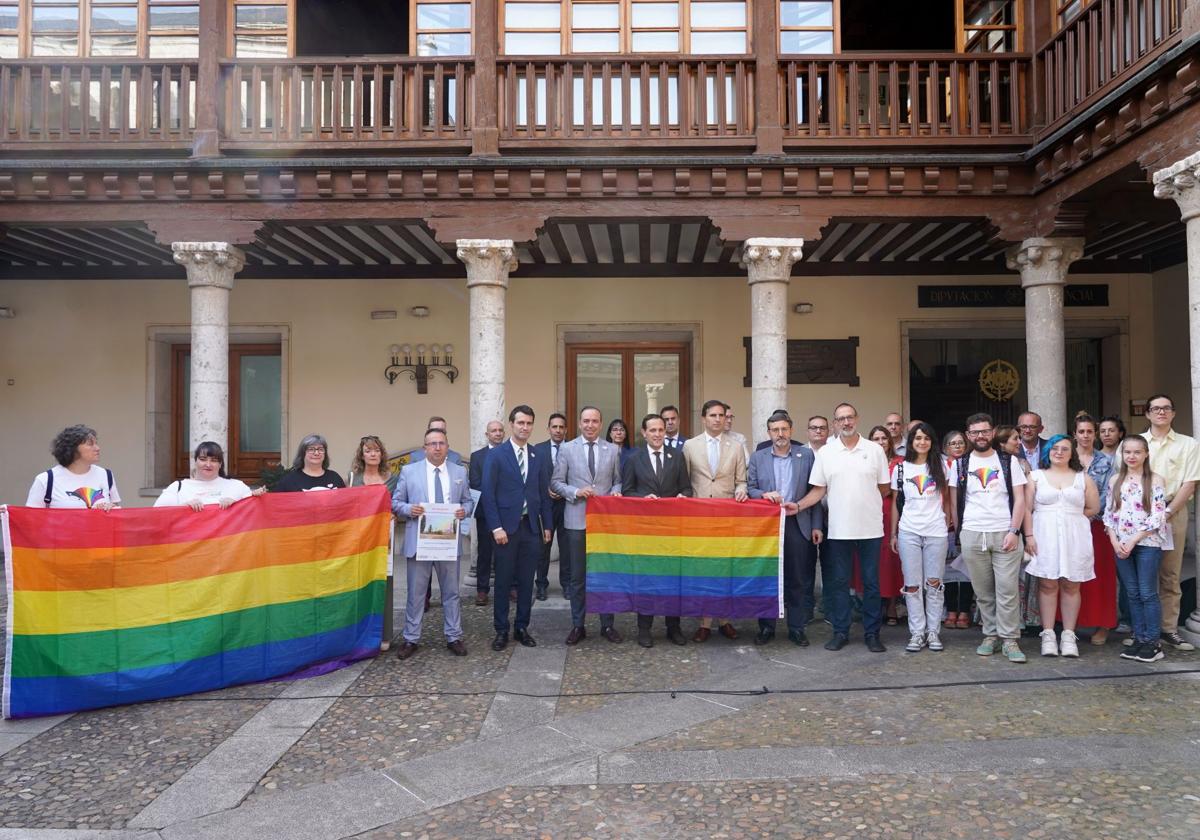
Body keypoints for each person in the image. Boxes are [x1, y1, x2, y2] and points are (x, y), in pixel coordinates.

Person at [796, 403, 891, 653]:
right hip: (838, 530)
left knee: (871, 583)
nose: (846, 422)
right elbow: (818, 490)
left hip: (871, 529)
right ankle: (840, 631)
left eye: (850, 418)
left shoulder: (874, 450)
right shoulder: (827, 452)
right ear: (835, 423)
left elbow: (884, 487)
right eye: (841, 419)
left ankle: (872, 633)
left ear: (857, 419)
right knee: (839, 583)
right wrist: (797, 506)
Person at [950, 413, 1028, 663]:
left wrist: (1014, 531)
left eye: (984, 431)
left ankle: (1010, 639)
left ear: (993, 432)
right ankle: (990, 634)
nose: (980, 436)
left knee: (1007, 589)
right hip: (973, 533)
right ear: (968, 435)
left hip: (1004, 532)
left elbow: (1020, 499)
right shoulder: (960, 464)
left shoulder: (1008, 461)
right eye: (974, 433)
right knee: (983, 591)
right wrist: (961, 532)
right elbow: (954, 502)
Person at [390, 427, 473, 660]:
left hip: (447, 541)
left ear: (448, 446)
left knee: (451, 592)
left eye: (441, 443)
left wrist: (463, 511)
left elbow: (468, 502)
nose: (437, 447)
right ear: (424, 447)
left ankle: (454, 636)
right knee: (415, 593)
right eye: (432, 444)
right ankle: (410, 638)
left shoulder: (459, 472)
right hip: (420, 541)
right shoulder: (409, 471)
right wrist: (409, 509)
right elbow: (396, 502)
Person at [748, 411, 824, 647]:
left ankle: (797, 628)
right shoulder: (758, 457)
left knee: (798, 578)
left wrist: (816, 525)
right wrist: (763, 494)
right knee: (767, 577)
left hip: (797, 522)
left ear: (791, 430)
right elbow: (750, 488)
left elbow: (817, 492)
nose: (780, 434)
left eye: (784, 429)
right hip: (768, 526)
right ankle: (766, 627)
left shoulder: (807, 455)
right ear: (769, 432)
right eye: (775, 430)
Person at [481, 405, 552, 651]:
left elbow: (543, 494)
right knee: (502, 581)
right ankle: (501, 630)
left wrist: (548, 525)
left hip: (530, 528)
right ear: (511, 424)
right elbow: (488, 495)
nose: (525, 427)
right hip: (505, 530)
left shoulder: (537, 455)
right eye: (520, 423)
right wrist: (496, 527)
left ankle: (522, 626)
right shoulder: (497, 455)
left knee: (526, 581)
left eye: (529, 423)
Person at [552, 406, 625, 645]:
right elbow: (556, 482)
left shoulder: (613, 449)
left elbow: (617, 481)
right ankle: (578, 625)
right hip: (576, 520)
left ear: (601, 423)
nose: (590, 425)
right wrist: (575, 491)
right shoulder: (567, 448)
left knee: (605, 573)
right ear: (580, 423)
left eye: (595, 421)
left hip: (604, 524)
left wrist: (615, 493)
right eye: (586, 421)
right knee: (578, 577)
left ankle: (607, 625)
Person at [1023, 435, 1099, 658]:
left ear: (1071, 453)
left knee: (1071, 585)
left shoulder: (1082, 478)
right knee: (1047, 584)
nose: (1059, 452)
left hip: (1074, 536)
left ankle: (1068, 635)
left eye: (1064, 449)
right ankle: (1047, 634)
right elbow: (1027, 509)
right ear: (1047, 452)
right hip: (1043, 535)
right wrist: (1029, 536)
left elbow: (1093, 508)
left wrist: (1070, 517)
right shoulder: (1035, 477)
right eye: (1054, 448)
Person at [623, 412, 694, 647]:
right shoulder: (634, 459)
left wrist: (684, 495)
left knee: (673, 580)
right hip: (646, 531)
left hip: (673, 530)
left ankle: (673, 627)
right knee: (648, 580)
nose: (657, 434)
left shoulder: (676, 456)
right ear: (644, 433)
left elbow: (686, 487)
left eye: (661, 430)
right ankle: (644, 628)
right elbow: (627, 491)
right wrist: (644, 498)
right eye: (652, 430)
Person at [683, 399, 749, 642]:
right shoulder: (690, 446)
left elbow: (742, 479)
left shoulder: (736, 445)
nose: (718, 419)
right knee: (704, 570)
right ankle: (704, 622)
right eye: (712, 415)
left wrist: (742, 489)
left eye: (721, 415)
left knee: (725, 568)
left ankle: (725, 620)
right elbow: (685, 480)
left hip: (727, 515)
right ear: (703, 418)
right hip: (699, 517)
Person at [1105, 435, 1173, 663]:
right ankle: (1139, 638)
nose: (1132, 456)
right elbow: (1109, 514)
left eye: (1137, 452)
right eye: (1127, 452)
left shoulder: (1155, 480)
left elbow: (1157, 517)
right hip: (1121, 544)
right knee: (1132, 593)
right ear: (1122, 455)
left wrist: (1134, 539)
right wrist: (1115, 541)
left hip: (1146, 544)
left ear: (1146, 454)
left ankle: (1153, 642)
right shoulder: (1115, 479)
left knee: (1147, 592)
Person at [1140, 394, 1199, 652]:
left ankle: (1168, 629)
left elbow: (1190, 482)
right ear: (1147, 414)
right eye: (1156, 409)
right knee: (1142, 575)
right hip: (1139, 514)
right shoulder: (1136, 443)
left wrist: (1166, 512)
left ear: (1173, 414)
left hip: (1174, 511)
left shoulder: (1189, 445)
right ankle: (1143, 630)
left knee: (1171, 574)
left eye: (1166, 409)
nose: (1161, 412)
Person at [889, 422, 950, 653]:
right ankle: (917, 632)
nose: (922, 442)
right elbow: (897, 503)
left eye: (926, 438)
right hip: (909, 531)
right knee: (912, 585)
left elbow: (947, 499)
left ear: (932, 441)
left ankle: (933, 631)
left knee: (934, 584)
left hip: (935, 531)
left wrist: (947, 523)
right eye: (917, 438)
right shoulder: (901, 469)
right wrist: (894, 533)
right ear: (911, 442)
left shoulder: (942, 465)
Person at [347, 435, 400, 650]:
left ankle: (384, 634)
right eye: (368, 451)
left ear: (382, 454)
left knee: (384, 585)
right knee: (360, 586)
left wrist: (396, 514)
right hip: (360, 541)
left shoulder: (393, 479)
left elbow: (399, 504)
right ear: (361, 454)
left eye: (376, 450)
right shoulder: (353, 479)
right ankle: (361, 634)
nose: (373, 454)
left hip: (384, 541)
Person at [1073, 414, 1117, 645]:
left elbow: (1108, 494)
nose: (1086, 436)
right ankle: (1073, 622)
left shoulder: (1107, 462)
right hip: (1070, 524)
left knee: (1101, 575)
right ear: (1075, 434)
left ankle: (1104, 625)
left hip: (1097, 525)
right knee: (1072, 575)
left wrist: (1089, 514)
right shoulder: (1064, 459)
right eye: (1082, 431)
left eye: (1090, 431)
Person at [26, 424, 121, 510]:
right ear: (72, 449)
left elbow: (116, 513)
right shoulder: (45, 480)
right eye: (90, 444)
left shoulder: (106, 475)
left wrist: (111, 508)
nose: (97, 448)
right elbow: (32, 519)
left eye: (96, 443)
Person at [155, 441, 261, 510]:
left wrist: (238, 504)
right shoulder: (177, 487)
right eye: (203, 459)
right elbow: (156, 516)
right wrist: (184, 508)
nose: (208, 464)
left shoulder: (237, 486)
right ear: (195, 461)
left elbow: (255, 514)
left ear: (220, 464)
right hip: (189, 544)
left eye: (214, 460)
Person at [867, 425, 903, 626]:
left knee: (890, 562)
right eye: (876, 438)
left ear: (890, 441)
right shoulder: (864, 461)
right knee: (873, 561)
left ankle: (891, 606)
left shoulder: (900, 462)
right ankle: (873, 606)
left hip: (891, 513)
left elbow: (894, 489)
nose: (880, 442)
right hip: (869, 513)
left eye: (884, 438)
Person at [533, 413, 569, 601]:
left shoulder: (572, 448)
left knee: (566, 547)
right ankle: (541, 585)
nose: (558, 430)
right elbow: (534, 477)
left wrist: (564, 491)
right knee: (543, 548)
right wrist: (546, 489)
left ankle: (567, 585)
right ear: (548, 429)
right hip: (545, 506)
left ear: (566, 429)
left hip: (567, 505)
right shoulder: (538, 450)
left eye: (561, 427)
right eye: (554, 427)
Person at [469, 419, 506, 606]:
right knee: (484, 552)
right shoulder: (477, 457)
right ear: (487, 434)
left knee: (506, 553)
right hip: (485, 512)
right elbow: (475, 483)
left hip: (507, 513)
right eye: (494, 431)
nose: (498, 433)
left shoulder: (511, 454)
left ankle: (509, 587)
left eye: (500, 430)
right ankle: (482, 589)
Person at [939, 430, 971, 628]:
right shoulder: (940, 466)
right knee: (948, 572)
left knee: (967, 572)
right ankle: (951, 610)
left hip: (969, 523)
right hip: (946, 524)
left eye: (960, 443)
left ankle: (965, 611)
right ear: (945, 448)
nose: (957, 446)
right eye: (953, 443)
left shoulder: (971, 464)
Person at [274, 434, 345, 491]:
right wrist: (262, 496)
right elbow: (275, 503)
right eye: (311, 449)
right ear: (302, 453)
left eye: (320, 449)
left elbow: (346, 503)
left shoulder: (335, 478)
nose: (316, 453)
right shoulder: (290, 481)